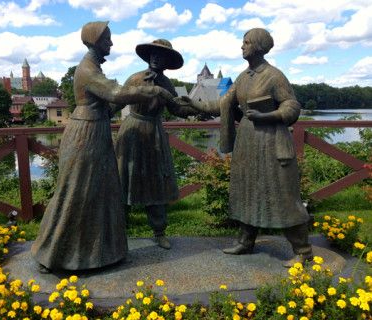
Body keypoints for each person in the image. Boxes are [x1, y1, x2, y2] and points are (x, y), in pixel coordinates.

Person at [31, 22, 174, 273]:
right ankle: (52, 254)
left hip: (96, 129)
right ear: (95, 40)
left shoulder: (93, 66)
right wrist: (154, 90)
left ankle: (98, 252)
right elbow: (117, 94)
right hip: (86, 133)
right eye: (107, 39)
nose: (111, 43)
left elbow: (110, 103)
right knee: (76, 191)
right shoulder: (87, 69)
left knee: (99, 191)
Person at [180, 28, 312, 266]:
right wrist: (195, 104)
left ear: (259, 46)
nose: (242, 46)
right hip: (248, 143)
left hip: (272, 142)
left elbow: (292, 106)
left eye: (247, 42)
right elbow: (222, 104)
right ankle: (245, 241)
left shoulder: (274, 76)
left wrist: (270, 115)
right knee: (247, 190)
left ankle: (303, 250)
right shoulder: (242, 77)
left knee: (282, 194)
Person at [115, 39, 198, 249]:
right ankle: (116, 230)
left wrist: (198, 107)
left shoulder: (167, 84)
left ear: (167, 62)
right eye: (152, 53)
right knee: (122, 179)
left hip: (154, 136)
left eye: (160, 55)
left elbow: (177, 110)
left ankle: (159, 231)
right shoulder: (135, 78)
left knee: (156, 183)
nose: (155, 57)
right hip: (132, 132)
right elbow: (117, 101)